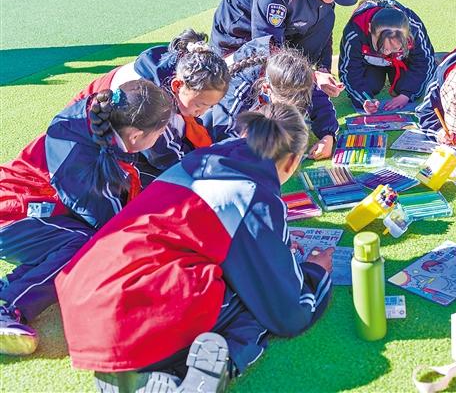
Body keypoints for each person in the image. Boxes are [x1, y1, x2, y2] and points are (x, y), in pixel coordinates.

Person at [55, 103, 333, 393]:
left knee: (234, 278)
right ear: (292, 161)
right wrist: (316, 273)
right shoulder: (254, 193)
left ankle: (133, 373)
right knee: (257, 297)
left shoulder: (200, 157)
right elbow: (288, 314)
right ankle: (209, 370)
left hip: (83, 303)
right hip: (130, 314)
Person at [0, 81, 173, 356]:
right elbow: (109, 225)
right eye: (160, 133)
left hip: (41, 209)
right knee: (88, 245)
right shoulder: (79, 154)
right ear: (137, 135)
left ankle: (9, 287)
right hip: (13, 212)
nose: (162, 138)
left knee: (84, 240)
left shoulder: (108, 122)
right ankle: (8, 304)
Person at [210, 0, 367, 98]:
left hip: (282, 32)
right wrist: (310, 76)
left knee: (325, 17)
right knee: (255, 100)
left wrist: (323, 69)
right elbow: (265, 47)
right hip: (239, 44)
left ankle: (301, 82)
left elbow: (324, 29)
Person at [74, 29, 231, 183]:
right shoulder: (151, 104)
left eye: (209, 106)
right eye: (200, 105)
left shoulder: (183, 68)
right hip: (88, 136)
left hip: (116, 127)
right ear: (177, 85)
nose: (202, 112)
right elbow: (166, 158)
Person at [202, 45, 338, 160]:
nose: (288, 112)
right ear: (266, 89)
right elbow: (225, 134)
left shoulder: (298, 78)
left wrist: (327, 135)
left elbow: (320, 103)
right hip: (213, 119)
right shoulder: (239, 87)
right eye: (284, 106)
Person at [338, 0, 436, 113]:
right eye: (381, 47)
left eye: (395, 48)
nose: (387, 52)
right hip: (370, 64)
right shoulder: (354, 31)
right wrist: (364, 99)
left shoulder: (414, 28)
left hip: (401, 62)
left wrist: (407, 95)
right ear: (369, 28)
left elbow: (425, 62)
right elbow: (349, 71)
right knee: (371, 84)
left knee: (404, 86)